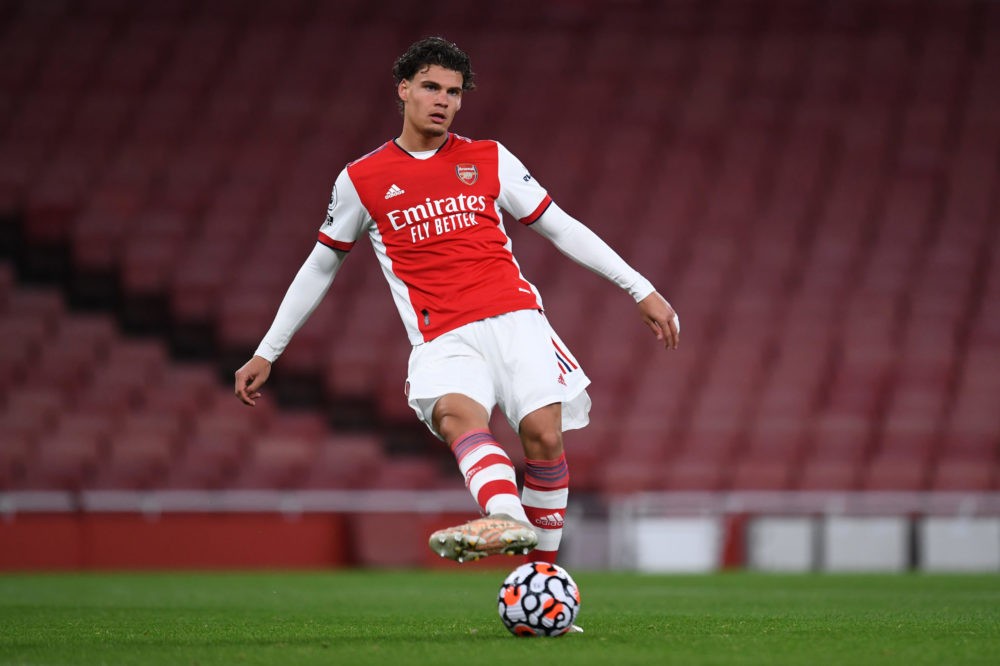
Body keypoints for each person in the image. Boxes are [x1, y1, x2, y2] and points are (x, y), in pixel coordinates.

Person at [234, 36, 679, 568]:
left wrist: (639, 287)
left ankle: (538, 578)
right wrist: (268, 350)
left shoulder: (488, 157)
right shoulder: (361, 179)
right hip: (441, 334)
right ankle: (508, 518)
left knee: (543, 435)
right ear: (404, 90)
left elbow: (560, 227)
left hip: (515, 320)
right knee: (456, 417)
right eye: (429, 87)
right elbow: (321, 264)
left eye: (453, 91)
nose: (442, 99)